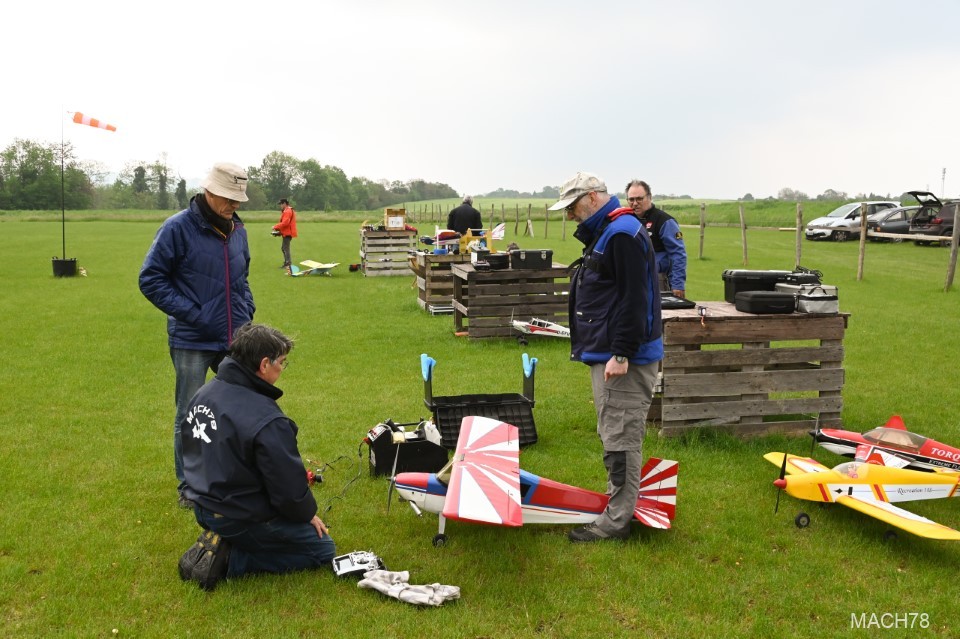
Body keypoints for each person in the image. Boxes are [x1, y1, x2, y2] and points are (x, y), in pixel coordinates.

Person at [549, 172, 663, 543]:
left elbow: (635, 298)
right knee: (614, 431)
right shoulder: (611, 231)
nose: (570, 215)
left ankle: (615, 523)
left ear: (594, 198)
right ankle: (618, 506)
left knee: (621, 437)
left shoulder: (621, 234)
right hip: (611, 354)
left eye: (573, 207)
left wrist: (622, 353)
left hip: (623, 359)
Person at [177, 323, 335, 591]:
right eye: (282, 362)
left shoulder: (204, 393)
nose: (282, 368)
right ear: (264, 365)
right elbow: (288, 490)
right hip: (234, 513)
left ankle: (226, 538)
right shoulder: (267, 419)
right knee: (322, 549)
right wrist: (306, 514)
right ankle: (228, 559)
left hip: (201, 504)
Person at [139, 162, 256, 508]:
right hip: (191, 340)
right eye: (229, 197)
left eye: (238, 198)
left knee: (240, 409)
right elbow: (151, 279)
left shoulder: (238, 229)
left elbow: (242, 278)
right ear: (209, 191)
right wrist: (196, 314)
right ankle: (189, 487)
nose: (234, 204)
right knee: (190, 415)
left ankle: (235, 478)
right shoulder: (177, 228)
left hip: (234, 338)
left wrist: (246, 310)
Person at [625, 179, 687, 298]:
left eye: (639, 199)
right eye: (631, 199)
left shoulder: (665, 221)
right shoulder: (626, 220)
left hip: (658, 280)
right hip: (632, 281)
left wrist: (678, 285)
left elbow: (678, 254)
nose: (635, 203)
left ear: (649, 197)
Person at [273, 198, 298, 269]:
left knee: (285, 248)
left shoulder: (287, 211)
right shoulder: (288, 210)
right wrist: (279, 231)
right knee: (284, 248)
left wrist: (275, 227)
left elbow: (285, 223)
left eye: (281, 204)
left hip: (287, 233)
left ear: (284, 203)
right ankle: (287, 263)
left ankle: (288, 264)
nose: (280, 206)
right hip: (287, 232)